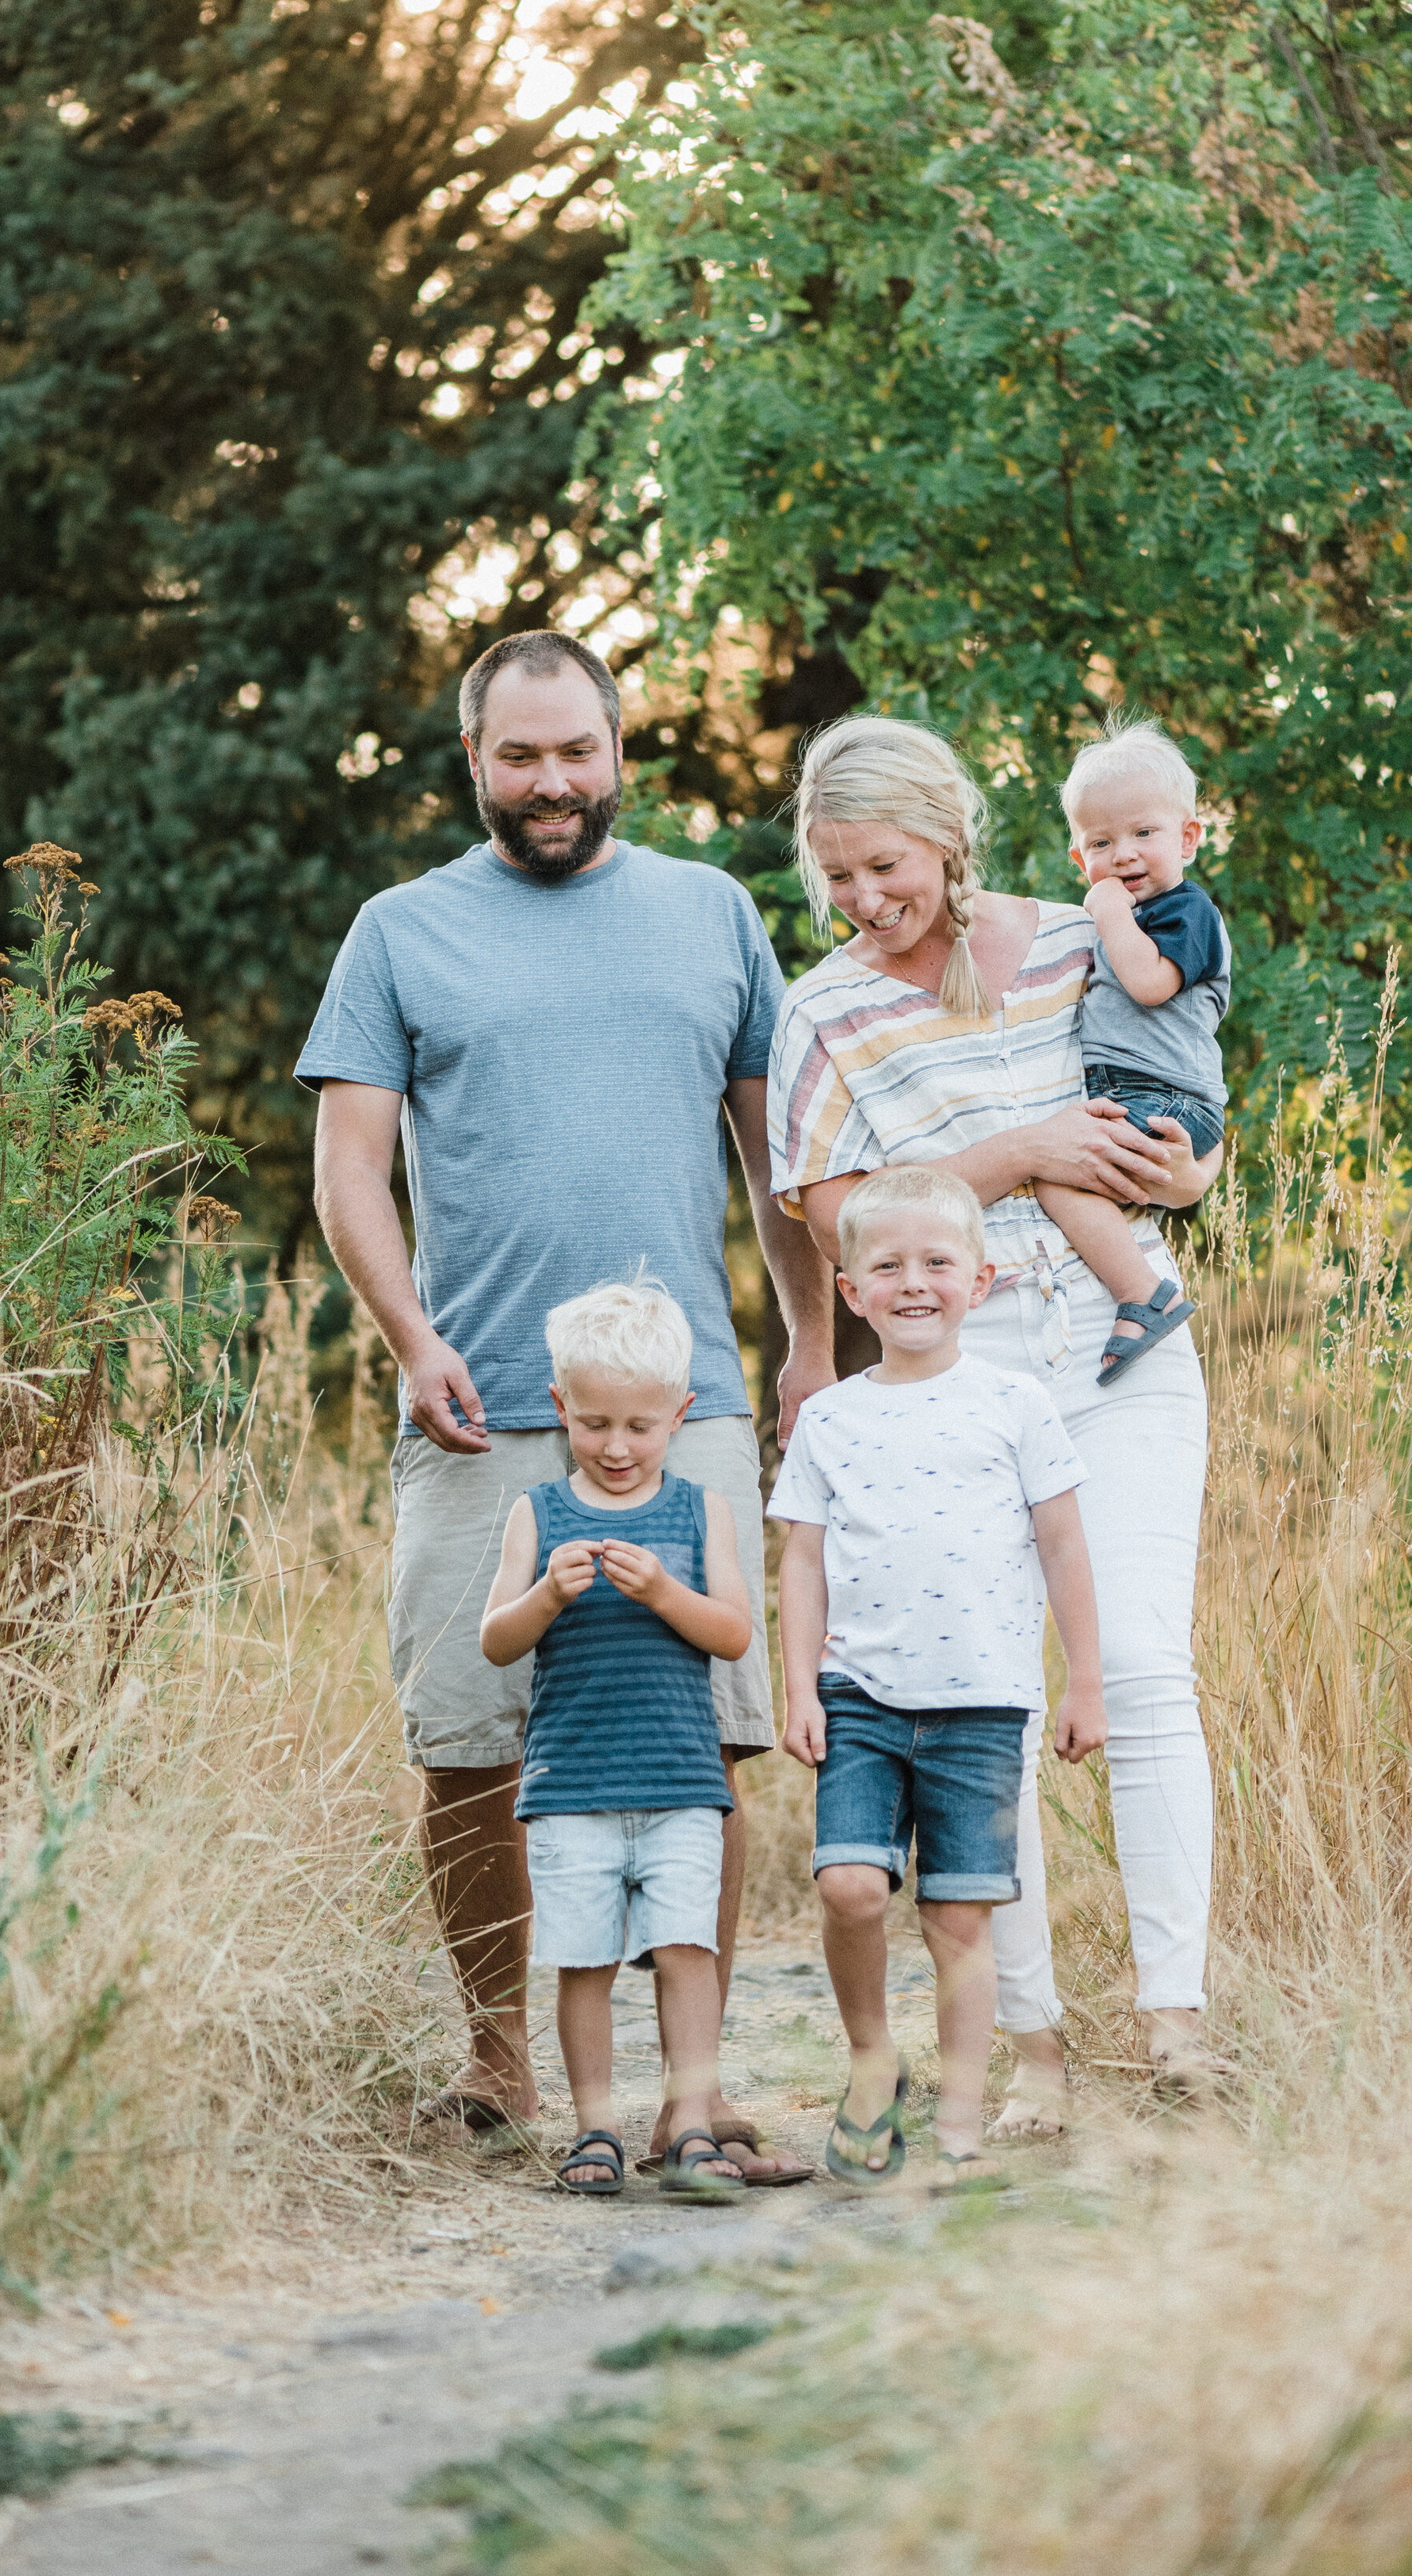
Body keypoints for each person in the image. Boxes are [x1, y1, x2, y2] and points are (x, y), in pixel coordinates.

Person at [299, 628, 835, 2170]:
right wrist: (409, 1342)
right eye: (517, 756)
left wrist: (806, 1343)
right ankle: (497, 2067)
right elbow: (349, 1170)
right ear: (471, 762)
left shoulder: (708, 913)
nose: (550, 782)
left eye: (575, 752)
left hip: (688, 1407)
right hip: (480, 1408)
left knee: (702, 1747)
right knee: (467, 1744)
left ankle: (694, 2091)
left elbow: (775, 1160)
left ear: (618, 752)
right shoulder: (400, 933)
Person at [768, 712, 1225, 2118]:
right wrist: (1016, 1153)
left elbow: (1188, 1096)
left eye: (886, 866)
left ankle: (1179, 2022)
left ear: (951, 838)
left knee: (1142, 1671)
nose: (865, 900)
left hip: (1121, 1352)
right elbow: (841, 1220)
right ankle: (1030, 2042)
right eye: (837, 877)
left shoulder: (1089, 932)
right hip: (949, 1384)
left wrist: (1190, 1174)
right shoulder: (822, 1013)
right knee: (989, 1698)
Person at [772, 1168, 1107, 2192]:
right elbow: (800, 1559)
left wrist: (1084, 1678)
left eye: (936, 1262)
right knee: (850, 1884)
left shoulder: (1016, 1404)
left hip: (983, 1703)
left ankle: (960, 2113)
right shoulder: (830, 1419)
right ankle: (874, 2059)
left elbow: (1063, 1545)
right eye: (888, 1265)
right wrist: (798, 1688)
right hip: (861, 1700)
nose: (913, 1282)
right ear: (850, 1289)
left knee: (962, 1917)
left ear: (980, 1277)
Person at [480, 1278, 754, 2203]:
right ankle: (592, 2123)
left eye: (641, 1425)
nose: (617, 1446)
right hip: (569, 1787)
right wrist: (547, 1595)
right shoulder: (537, 1513)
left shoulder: (698, 1510)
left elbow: (732, 1633)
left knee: (687, 1949)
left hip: (680, 1783)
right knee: (584, 1959)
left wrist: (664, 1594)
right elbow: (495, 1640)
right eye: (593, 1423)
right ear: (560, 1409)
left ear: (679, 1414)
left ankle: (684, 2120)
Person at [1033, 720, 1233, 1385]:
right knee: (1062, 1168)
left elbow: (1150, 985)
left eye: (1143, 834)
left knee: (1059, 1172)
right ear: (1078, 858)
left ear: (1188, 838)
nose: (1124, 855)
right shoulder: (1126, 919)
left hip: (1169, 1097)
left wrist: (1109, 913)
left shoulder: (1186, 912)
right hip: (1133, 1090)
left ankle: (1145, 1295)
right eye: (1101, 842)